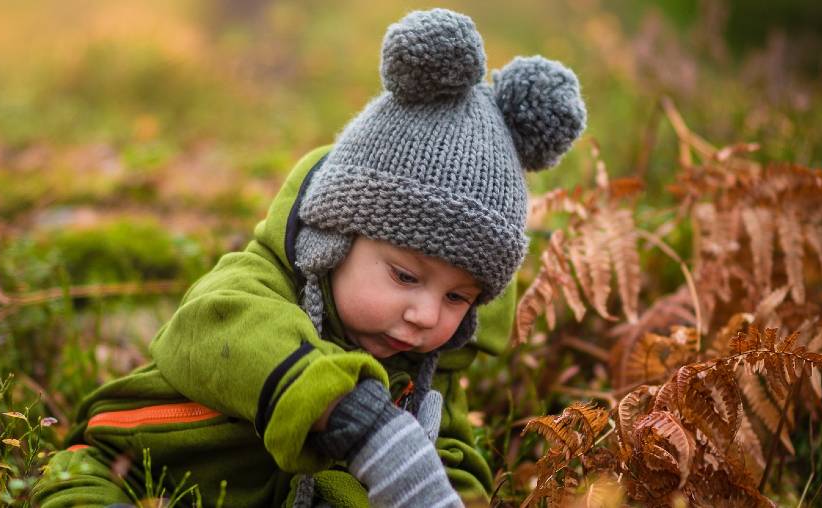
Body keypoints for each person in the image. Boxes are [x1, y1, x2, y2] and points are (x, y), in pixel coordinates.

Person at [32, 7, 585, 508]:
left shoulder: (424, 374)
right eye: (404, 275)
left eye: (456, 296)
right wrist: (354, 417)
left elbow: (450, 461)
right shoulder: (254, 287)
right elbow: (213, 330)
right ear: (333, 240)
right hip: (126, 472)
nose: (424, 314)